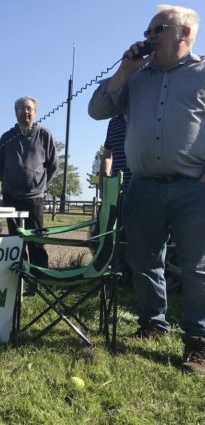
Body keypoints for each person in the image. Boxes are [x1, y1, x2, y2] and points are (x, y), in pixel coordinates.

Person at [89, 5, 205, 374]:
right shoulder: (136, 76)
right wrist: (124, 69)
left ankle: (198, 343)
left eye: (159, 29)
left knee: (197, 268)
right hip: (142, 187)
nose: (149, 36)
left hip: (192, 188)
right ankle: (153, 324)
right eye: (149, 30)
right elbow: (96, 110)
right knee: (144, 262)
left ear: (184, 35)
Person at [0, 96, 57, 268]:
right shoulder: (6, 137)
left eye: (29, 108)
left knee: (36, 239)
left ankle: (38, 276)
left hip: (34, 198)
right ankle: (19, 275)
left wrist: (39, 184)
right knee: (16, 239)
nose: (25, 111)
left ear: (35, 112)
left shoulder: (44, 135)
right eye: (21, 108)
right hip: (11, 197)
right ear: (16, 112)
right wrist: (10, 182)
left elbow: (52, 165)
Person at [99, 114, 132, 286]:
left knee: (141, 237)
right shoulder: (113, 122)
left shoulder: (145, 114)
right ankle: (118, 277)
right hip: (118, 190)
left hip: (143, 186)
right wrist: (104, 181)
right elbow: (107, 154)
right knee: (116, 235)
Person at [99, 114, 131, 193]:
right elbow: (107, 156)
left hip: (144, 188)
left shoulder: (146, 118)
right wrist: (103, 183)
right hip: (116, 190)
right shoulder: (113, 122)